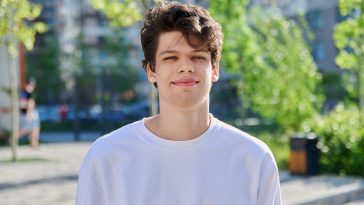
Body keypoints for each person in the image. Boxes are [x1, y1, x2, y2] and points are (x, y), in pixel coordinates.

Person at [76, 2, 281, 204]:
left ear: (215, 69)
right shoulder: (106, 157)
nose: (185, 67)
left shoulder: (254, 158)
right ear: (151, 71)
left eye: (198, 57)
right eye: (171, 58)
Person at [19, 78, 40, 148]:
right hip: (26, 114)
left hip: (31, 113)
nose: (31, 86)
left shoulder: (30, 93)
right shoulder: (25, 93)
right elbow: (25, 104)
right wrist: (29, 113)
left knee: (35, 129)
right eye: (30, 85)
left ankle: (34, 143)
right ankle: (12, 138)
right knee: (25, 130)